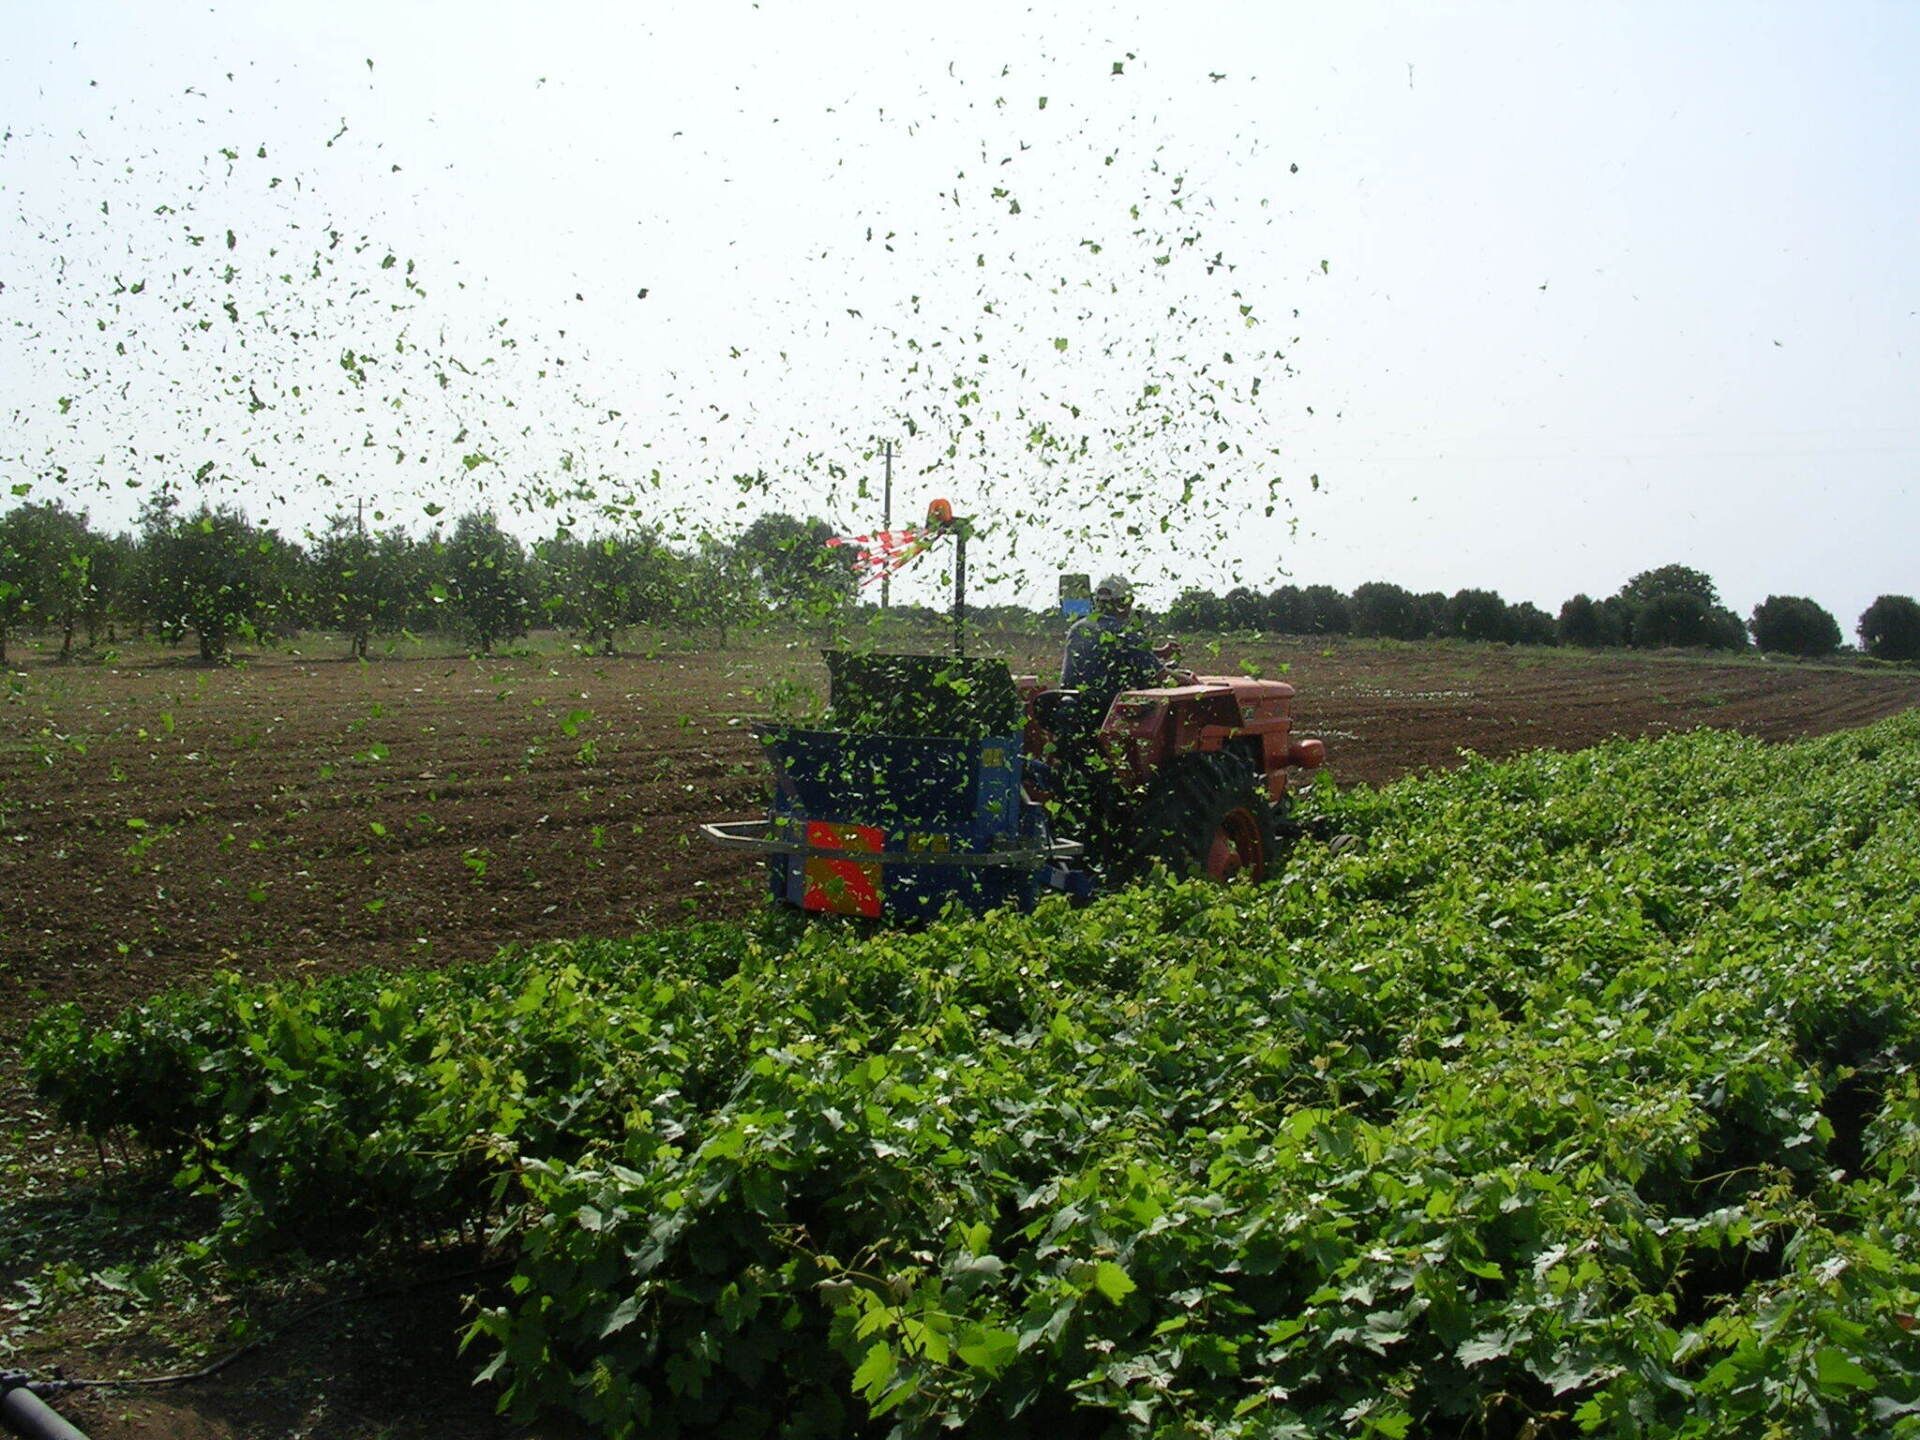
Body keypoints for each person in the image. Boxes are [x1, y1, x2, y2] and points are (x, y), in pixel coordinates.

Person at [1061, 574, 1185, 724]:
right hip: (1107, 713)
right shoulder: (1127, 633)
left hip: (1075, 705)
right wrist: (1194, 684)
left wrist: (1158, 653)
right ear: (1123, 602)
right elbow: (1161, 676)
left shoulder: (1077, 628)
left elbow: (1112, 651)